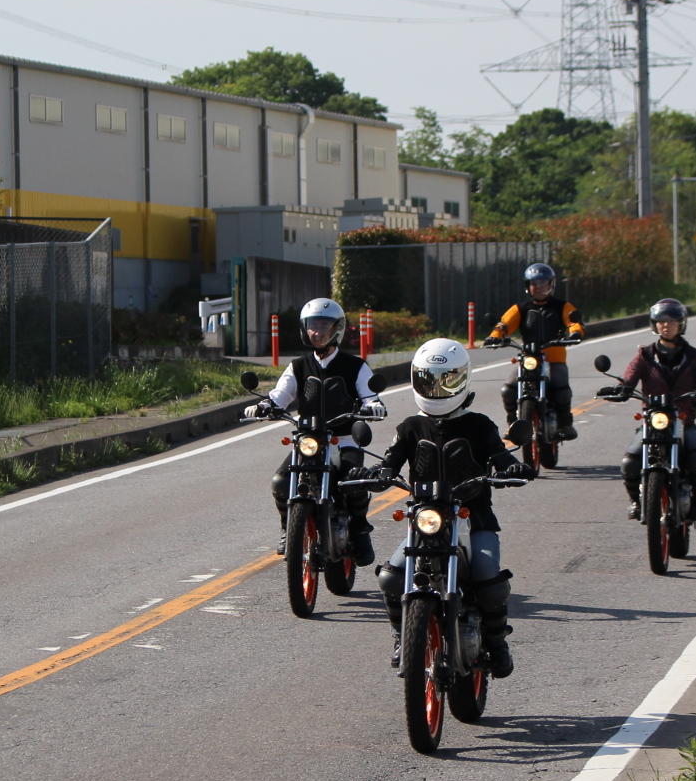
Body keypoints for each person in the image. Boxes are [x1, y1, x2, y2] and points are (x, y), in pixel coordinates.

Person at [361, 338, 530, 677]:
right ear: (416, 380)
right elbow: (390, 463)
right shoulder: (410, 427)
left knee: (488, 576)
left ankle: (496, 642)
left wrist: (511, 467)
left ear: (463, 379)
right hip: (425, 520)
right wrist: (374, 474)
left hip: (474, 517)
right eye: (429, 380)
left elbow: (500, 455)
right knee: (391, 578)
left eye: (446, 380)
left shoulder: (480, 425)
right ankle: (401, 635)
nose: (437, 389)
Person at [245, 297, 387, 563]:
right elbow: (279, 396)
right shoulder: (298, 366)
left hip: (344, 439)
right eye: (312, 325)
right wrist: (264, 406)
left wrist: (374, 405)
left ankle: (359, 530)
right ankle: (288, 529)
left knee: (353, 481)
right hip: (308, 439)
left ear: (337, 329)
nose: (317, 331)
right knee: (281, 482)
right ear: (304, 328)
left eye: (323, 325)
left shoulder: (355, 366)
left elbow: (370, 396)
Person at [612, 299, 696, 523]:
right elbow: (630, 377)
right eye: (661, 321)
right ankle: (636, 501)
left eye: (671, 321)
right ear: (654, 325)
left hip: (683, 420)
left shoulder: (694, 356)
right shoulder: (645, 355)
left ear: (681, 324)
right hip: (653, 419)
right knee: (630, 461)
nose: (666, 325)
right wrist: (622, 389)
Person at [485, 262, 585, 440]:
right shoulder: (521, 308)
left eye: (543, 282)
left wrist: (576, 332)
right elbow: (504, 324)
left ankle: (565, 424)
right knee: (508, 389)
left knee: (561, 389)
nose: (539, 287)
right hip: (528, 358)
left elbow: (573, 322)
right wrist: (495, 335)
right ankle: (512, 423)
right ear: (528, 286)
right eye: (534, 283)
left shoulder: (562, 306)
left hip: (554, 359)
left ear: (551, 284)